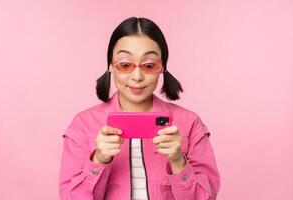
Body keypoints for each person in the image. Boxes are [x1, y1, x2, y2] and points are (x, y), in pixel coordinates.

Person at [59, 17, 220, 200]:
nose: (137, 76)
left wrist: (177, 160)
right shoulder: (82, 124)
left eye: (149, 65)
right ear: (111, 65)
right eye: (125, 65)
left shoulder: (189, 123)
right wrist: (99, 160)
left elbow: (205, 197)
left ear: (162, 67)